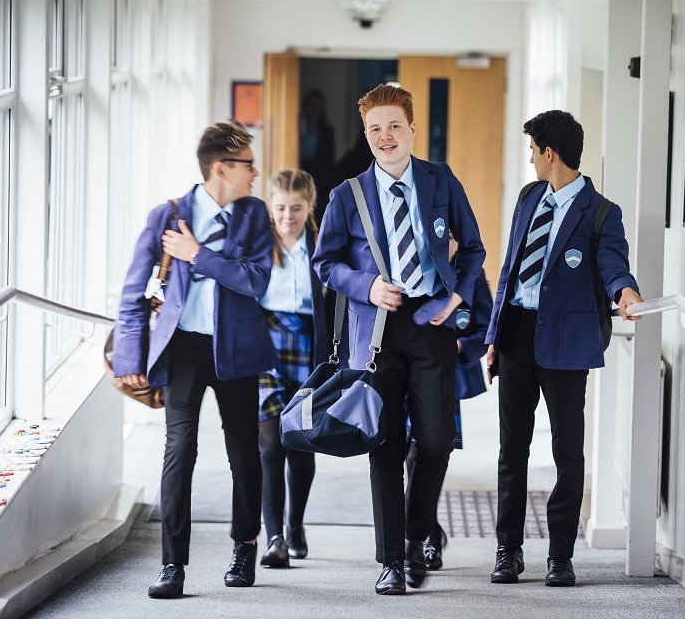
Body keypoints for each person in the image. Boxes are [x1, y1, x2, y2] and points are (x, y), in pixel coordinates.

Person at [313, 84, 485, 596]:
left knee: (434, 441)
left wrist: (455, 302)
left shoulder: (441, 180)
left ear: (412, 128)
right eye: (374, 129)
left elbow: (472, 249)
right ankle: (392, 559)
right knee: (383, 445)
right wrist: (366, 287)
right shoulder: (347, 195)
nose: (385, 137)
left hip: (431, 324)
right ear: (365, 135)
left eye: (393, 126)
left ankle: (415, 535)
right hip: (376, 334)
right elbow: (326, 264)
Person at [113, 120, 276, 598]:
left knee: (244, 453)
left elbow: (256, 281)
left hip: (238, 349)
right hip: (182, 348)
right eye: (248, 164)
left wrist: (197, 254)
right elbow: (131, 293)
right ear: (222, 168)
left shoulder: (255, 215)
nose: (255, 172)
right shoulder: (166, 215)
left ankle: (244, 547)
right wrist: (129, 355)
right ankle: (172, 565)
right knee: (179, 451)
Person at [485, 110, 643, 588]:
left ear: (550, 153)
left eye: (533, 152)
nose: (531, 160)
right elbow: (511, 267)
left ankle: (559, 556)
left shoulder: (600, 212)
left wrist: (625, 291)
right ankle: (508, 551)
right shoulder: (528, 197)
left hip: (566, 345)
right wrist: (493, 335)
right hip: (516, 333)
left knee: (566, 453)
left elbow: (614, 263)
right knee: (511, 449)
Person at [404, 233, 493, 571]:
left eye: (453, 237)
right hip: (402, 371)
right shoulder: (409, 264)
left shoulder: (469, 275)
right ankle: (430, 529)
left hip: (442, 378)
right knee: (399, 451)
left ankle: (423, 536)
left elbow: (484, 326)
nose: (446, 243)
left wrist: (457, 347)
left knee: (424, 454)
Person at [256, 169, 330, 567]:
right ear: (271, 206)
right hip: (265, 345)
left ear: (309, 207)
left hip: (307, 348)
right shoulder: (258, 243)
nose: (288, 216)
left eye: (296, 208)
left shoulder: (321, 247)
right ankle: (274, 538)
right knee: (269, 443)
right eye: (281, 208)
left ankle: (295, 523)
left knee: (300, 442)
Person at [299, 89, 336, 220]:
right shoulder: (296, 126)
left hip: (319, 175)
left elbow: (330, 160)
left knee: (317, 211)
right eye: (311, 104)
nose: (314, 109)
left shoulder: (327, 131)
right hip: (300, 171)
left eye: (317, 105)